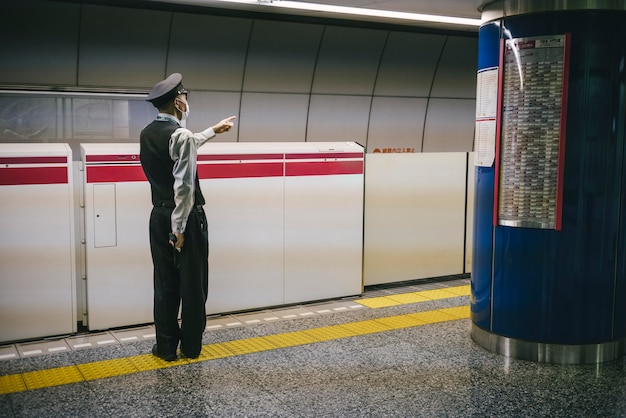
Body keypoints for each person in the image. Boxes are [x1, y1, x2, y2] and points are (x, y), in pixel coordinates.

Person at [140, 73, 235, 361]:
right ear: (178, 103)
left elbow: (186, 144)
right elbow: (184, 187)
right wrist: (179, 229)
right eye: (184, 97)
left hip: (158, 215)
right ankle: (191, 346)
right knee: (193, 284)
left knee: (165, 284)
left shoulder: (147, 133)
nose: (186, 101)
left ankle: (166, 347)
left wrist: (213, 131)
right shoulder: (180, 135)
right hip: (184, 219)